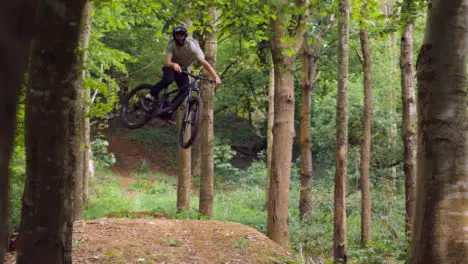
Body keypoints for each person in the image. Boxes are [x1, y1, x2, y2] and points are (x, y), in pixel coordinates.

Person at [147, 25, 221, 125]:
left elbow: (205, 63)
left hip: (183, 70)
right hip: (171, 67)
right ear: (174, 36)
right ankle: (150, 94)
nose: (180, 38)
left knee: (185, 90)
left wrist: (215, 77)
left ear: (185, 36)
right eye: (177, 35)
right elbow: (167, 62)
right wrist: (174, 64)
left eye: (182, 35)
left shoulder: (193, 47)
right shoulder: (171, 44)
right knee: (168, 79)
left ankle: (169, 110)